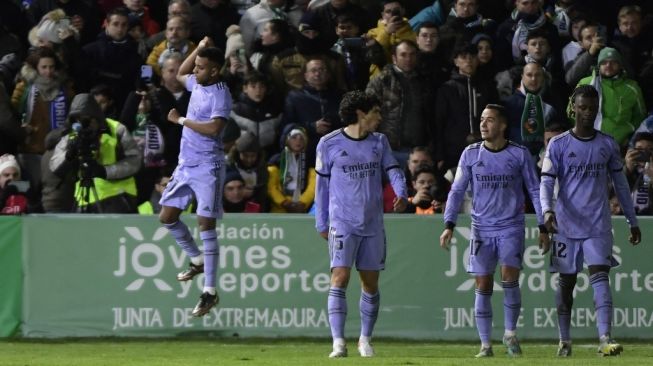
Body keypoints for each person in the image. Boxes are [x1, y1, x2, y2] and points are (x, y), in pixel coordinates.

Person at [540, 85, 641, 357]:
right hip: (565, 226)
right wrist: (547, 213)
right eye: (583, 108)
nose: (587, 113)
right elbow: (546, 183)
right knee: (567, 283)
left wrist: (632, 220)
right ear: (574, 108)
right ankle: (564, 339)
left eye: (593, 109)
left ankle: (605, 338)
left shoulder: (607, 144)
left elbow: (621, 185)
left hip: (598, 225)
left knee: (600, 277)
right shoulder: (558, 145)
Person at [439, 104, 548, 358]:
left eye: (489, 120)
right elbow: (456, 191)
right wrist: (449, 224)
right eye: (482, 120)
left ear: (502, 125)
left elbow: (534, 189)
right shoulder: (470, 154)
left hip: (511, 225)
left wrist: (543, 225)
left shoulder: (519, 154)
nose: (483, 124)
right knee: (483, 282)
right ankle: (485, 345)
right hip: (481, 229)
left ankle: (510, 334)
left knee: (509, 277)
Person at [315, 90, 407, 358]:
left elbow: (393, 170)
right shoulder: (328, 143)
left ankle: (365, 339)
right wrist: (321, 221)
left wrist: (401, 192)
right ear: (361, 114)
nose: (379, 117)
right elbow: (321, 186)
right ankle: (338, 343)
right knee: (340, 278)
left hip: (373, 224)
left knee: (370, 283)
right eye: (376, 112)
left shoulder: (380, 142)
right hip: (342, 222)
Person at [158, 36, 233, 317]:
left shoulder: (220, 94)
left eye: (201, 67)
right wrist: (198, 49)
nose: (195, 70)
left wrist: (180, 120)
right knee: (167, 217)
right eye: (197, 65)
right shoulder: (198, 82)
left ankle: (210, 292)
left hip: (208, 167)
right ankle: (197, 259)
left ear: (214, 71)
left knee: (206, 226)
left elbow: (215, 129)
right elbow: (180, 74)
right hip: (185, 164)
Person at [49, 93, 141, 213]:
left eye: (87, 120)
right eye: (77, 120)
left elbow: (135, 161)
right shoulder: (71, 135)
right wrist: (69, 156)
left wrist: (104, 171)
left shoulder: (116, 129)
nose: (83, 125)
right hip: (84, 199)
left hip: (118, 200)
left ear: (96, 116)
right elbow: (54, 165)